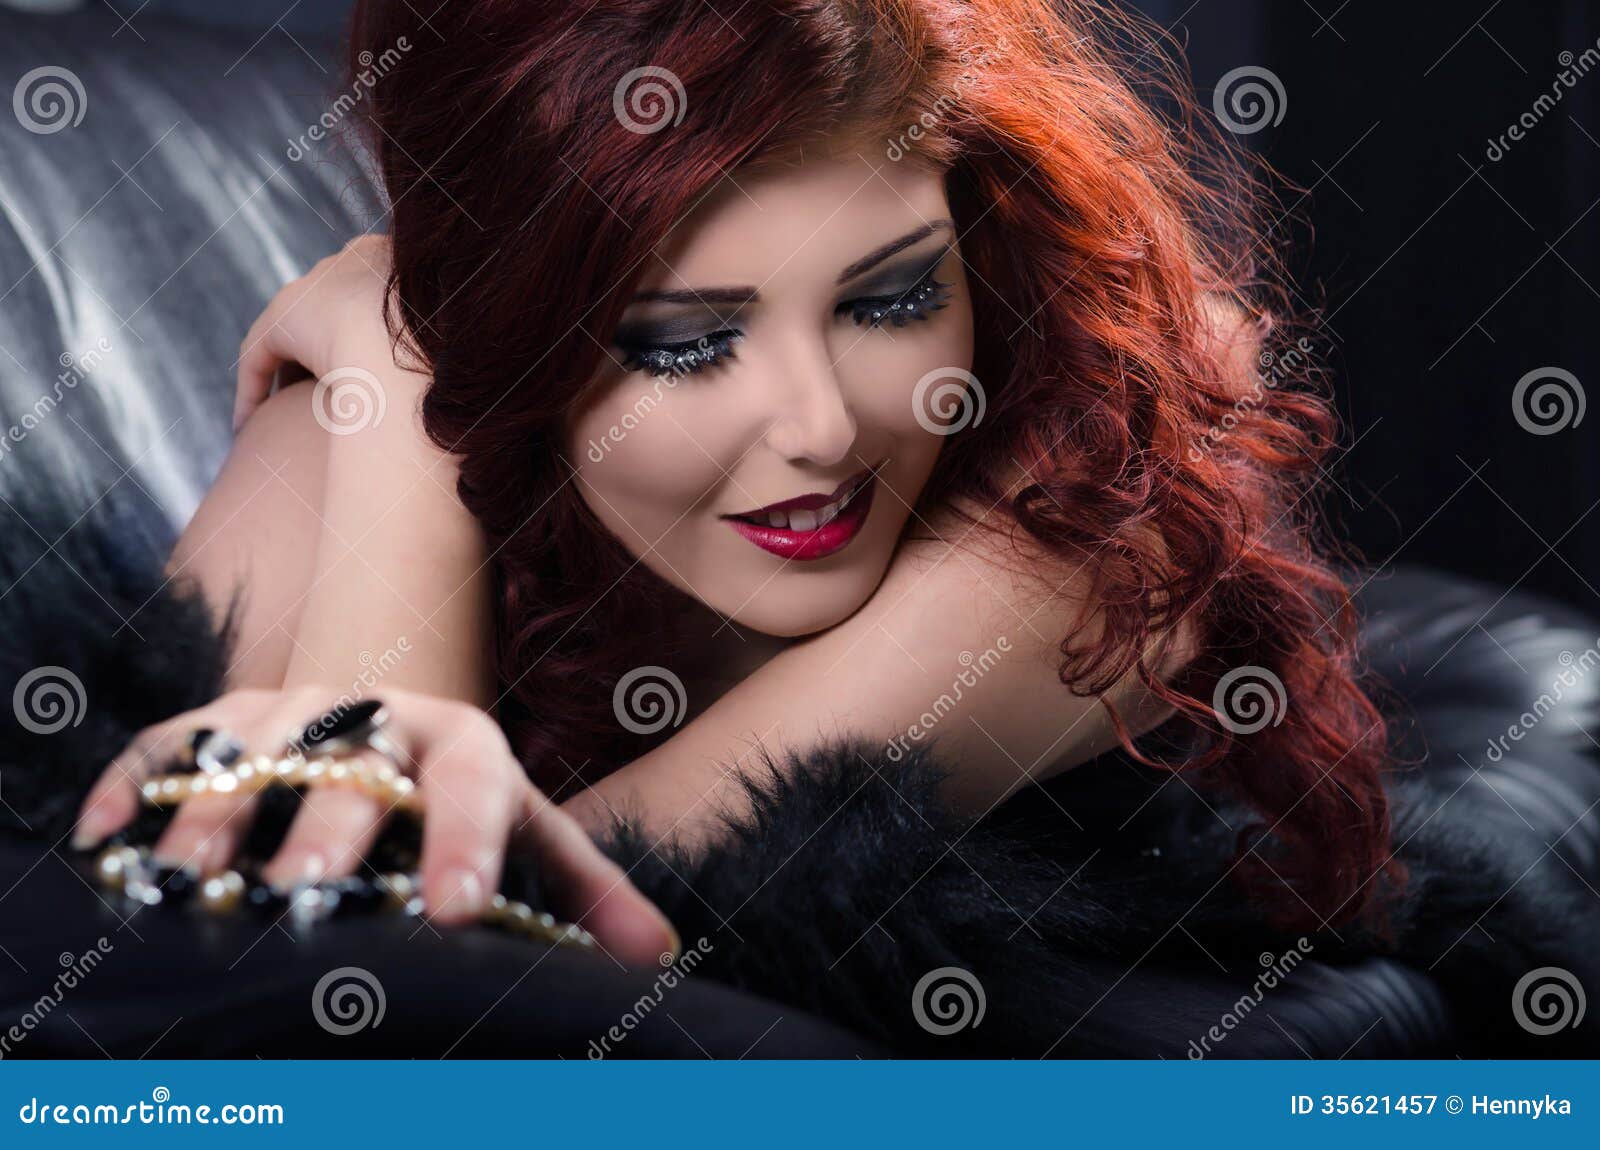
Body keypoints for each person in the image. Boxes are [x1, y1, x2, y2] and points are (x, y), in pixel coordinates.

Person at [73, 0, 1399, 964]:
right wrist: (403, 404)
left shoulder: (1094, 493)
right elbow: (257, 1034)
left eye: (891, 299)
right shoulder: (342, 443)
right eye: (687, 340)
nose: (822, 428)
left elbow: (460, 964)